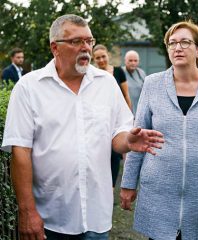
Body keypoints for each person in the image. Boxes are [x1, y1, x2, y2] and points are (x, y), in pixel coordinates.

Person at [1, 14, 164, 240]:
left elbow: (118, 133)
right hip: (49, 219)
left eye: (89, 41)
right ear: (55, 47)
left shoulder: (106, 84)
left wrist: (128, 140)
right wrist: (27, 212)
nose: (86, 48)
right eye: (77, 41)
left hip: (97, 217)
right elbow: (20, 151)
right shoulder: (29, 88)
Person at [120, 21, 198, 240]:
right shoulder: (152, 84)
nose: (177, 48)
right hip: (159, 192)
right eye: (172, 43)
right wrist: (128, 183)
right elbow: (138, 137)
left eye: (185, 42)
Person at [92, 44, 132, 189]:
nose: (101, 60)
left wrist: (129, 117)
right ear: (93, 59)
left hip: (116, 118)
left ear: (108, 55)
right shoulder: (91, 75)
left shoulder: (119, 71)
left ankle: (111, 186)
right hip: (99, 118)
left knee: (115, 154)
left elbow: (126, 95)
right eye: (97, 58)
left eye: (103, 56)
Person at [122, 50, 146, 114]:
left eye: (135, 61)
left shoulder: (141, 73)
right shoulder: (121, 72)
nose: (133, 63)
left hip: (139, 110)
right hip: (125, 110)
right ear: (125, 61)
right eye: (130, 60)